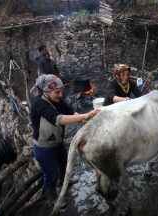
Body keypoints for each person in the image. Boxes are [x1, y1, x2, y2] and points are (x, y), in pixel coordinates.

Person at [30, 74, 99, 208]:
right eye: (57, 92)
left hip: (57, 142)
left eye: (61, 91)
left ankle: (64, 183)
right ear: (47, 91)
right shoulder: (39, 104)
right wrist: (84, 116)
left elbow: (70, 111)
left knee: (63, 165)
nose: (61, 95)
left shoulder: (57, 100)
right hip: (44, 147)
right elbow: (58, 119)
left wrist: (82, 117)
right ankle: (53, 197)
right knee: (51, 174)